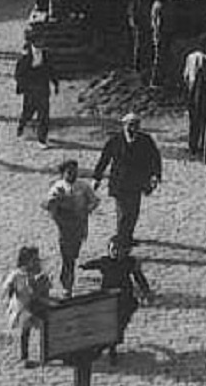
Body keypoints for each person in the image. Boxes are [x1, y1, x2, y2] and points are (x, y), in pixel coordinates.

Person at [92, 112, 162, 249]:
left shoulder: (145, 140)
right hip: (119, 182)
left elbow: (155, 158)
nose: (133, 128)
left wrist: (155, 176)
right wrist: (96, 177)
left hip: (137, 183)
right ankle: (121, 241)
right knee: (123, 213)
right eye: (130, 125)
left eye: (136, 125)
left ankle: (127, 237)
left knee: (133, 212)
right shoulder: (115, 141)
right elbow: (104, 159)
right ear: (124, 126)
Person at [80, 238, 152, 364]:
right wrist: (85, 266)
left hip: (125, 299)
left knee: (119, 325)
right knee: (107, 324)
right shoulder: (105, 261)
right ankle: (108, 347)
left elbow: (139, 277)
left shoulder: (130, 262)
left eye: (120, 249)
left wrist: (146, 291)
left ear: (126, 251)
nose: (116, 252)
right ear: (108, 250)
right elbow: (94, 264)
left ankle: (112, 347)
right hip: (107, 299)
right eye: (113, 249)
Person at [43, 158, 99, 296]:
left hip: (80, 225)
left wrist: (88, 208)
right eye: (69, 172)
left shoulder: (83, 186)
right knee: (67, 257)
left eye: (75, 172)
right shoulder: (57, 187)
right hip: (65, 227)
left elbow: (94, 200)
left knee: (73, 255)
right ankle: (67, 284)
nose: (73, 175)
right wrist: (57, 204)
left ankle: (68, 276)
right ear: (63, 173)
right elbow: (48, 205)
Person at [2, 245, 51, 368]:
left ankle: (46, 354)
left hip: (36, 305)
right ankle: (24, 356)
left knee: (45, 327)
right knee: (25, 330)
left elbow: (45, 288)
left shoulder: (38, 274)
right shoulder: (17, 275)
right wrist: (10, 294)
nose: (36, 262)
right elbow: (8, 287)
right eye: (33, 260)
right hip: (23, 306)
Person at [14, 32, 59, 147]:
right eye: (39, 40)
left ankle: (42, 139)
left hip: (43, 87)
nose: (42, 43)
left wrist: (55, 83)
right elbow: (18, 74)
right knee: (28, 112)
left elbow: (51, 70)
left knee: (44, 114)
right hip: (30, 89)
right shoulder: (25, 56)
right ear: (33, 42)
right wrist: (24, 86)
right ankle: (22, 127)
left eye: (42, 41)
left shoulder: (46, 54)